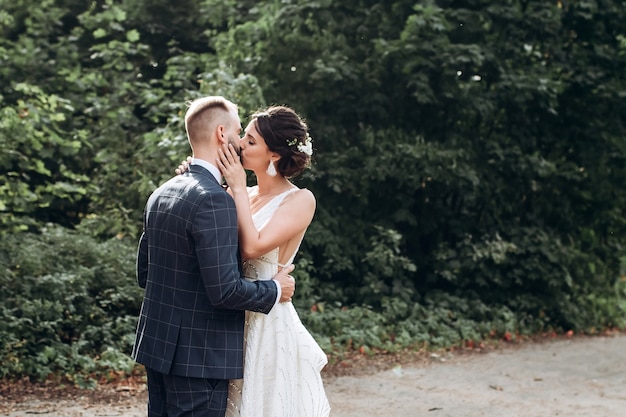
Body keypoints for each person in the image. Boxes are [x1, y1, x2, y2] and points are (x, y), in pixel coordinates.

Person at [132, 96, 296, 417]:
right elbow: (225, 290)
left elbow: (145, 274)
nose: (241, 142)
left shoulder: (163, 191)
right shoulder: (213, 200)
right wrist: (275, 289)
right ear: (222, 134)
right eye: (238, 132)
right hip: (199, 357)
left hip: (158, 346)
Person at [177, 105, 330, 417]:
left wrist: (234, 188)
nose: (239, 144)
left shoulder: (300, 200)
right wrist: (193, 179)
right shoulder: (240, 193)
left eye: (250, 140)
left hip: (267, 322)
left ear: (273, 155)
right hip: (230, 317)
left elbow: (251, 247)